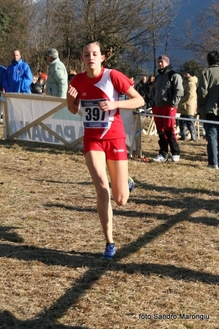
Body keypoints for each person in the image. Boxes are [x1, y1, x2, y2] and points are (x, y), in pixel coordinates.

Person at [66, 41, 144, 259]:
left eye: (94, 54)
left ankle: (127, 183)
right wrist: (69, 100)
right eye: (86, 54)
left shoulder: (113, 76)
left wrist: (114, 105)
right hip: (92, 141)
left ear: (102, 57)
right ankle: (109, 243)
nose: (90, 57)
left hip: (115, 138)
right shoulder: (77, 80)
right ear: (81, 58)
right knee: (102, 189)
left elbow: (139, 100)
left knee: (121, 199)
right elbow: (73, 110)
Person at [152, 54, 184, 163]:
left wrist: (173, 105)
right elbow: (153, 92)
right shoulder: (157, 77)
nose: (160, 64)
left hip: (168, 106)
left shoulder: (174, 75)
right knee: (160, 131)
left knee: (169, 129)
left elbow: (179, 91)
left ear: (167, 62)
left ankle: (175, 152)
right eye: (158, 62)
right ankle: (163, 153)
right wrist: (153, 104)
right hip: (158, 107)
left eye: (162, 61)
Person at [197, 50, 219, 169]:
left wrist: (201, 105)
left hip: (210, 109)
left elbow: (202, 91)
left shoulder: (206, 73)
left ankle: (213, 162)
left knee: (211, 136)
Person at [177, 71, 198, 141]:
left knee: (189, 122)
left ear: (190, 75)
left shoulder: (191, 83)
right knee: (181, 121)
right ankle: (183, 136)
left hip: (188, 106)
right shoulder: (186, 83)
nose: (185, 75)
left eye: (186, 74)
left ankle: (194, 137)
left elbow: (190, 94)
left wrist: (182, 100)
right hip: (184, 106)